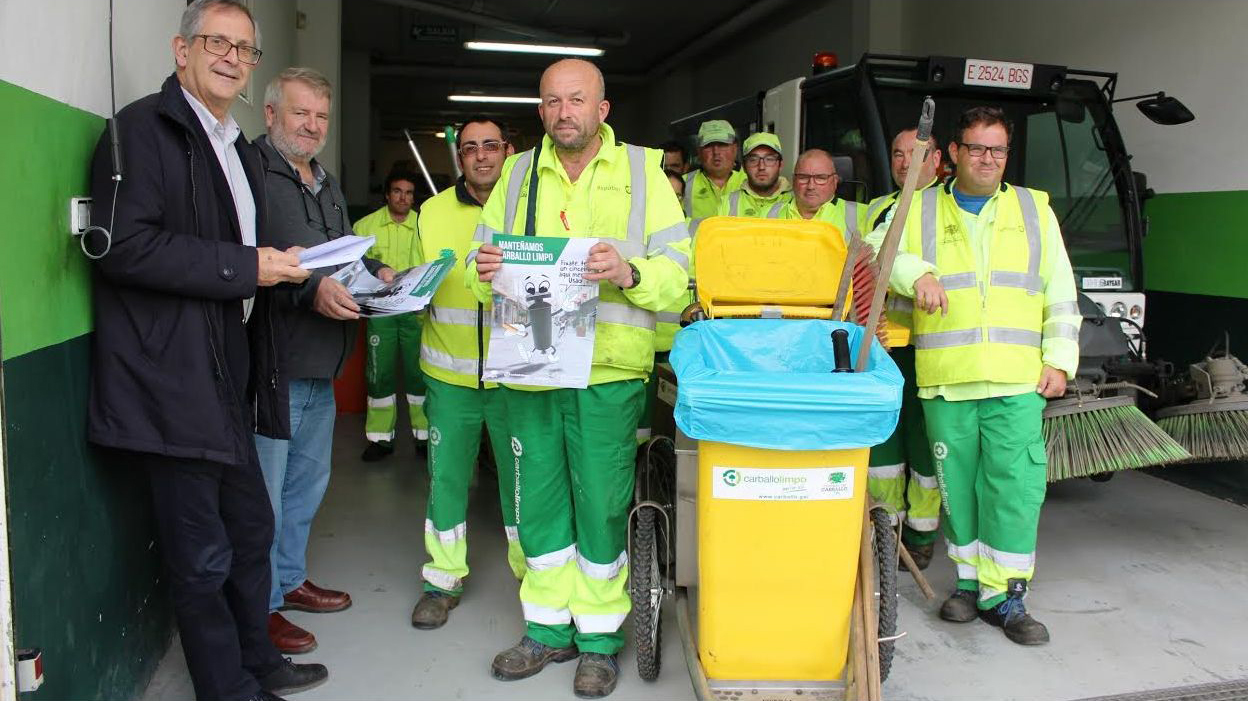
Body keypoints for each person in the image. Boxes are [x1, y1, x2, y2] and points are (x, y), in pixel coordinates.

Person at [87, 1, 325, 698]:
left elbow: (230, 244)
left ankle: (258, 660)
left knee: (251, 531)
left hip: (227, 370)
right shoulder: (142, 131)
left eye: (244, 49)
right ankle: (229, 689)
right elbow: (125, 247)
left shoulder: (231, 142)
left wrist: (269, 265)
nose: (230, 56)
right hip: (172, 379)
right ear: (181, 49)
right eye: (215, 42)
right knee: (203, 555)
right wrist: (248, 267)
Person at [468, 58, 691, 698]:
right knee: (535, 504)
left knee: (600, 505)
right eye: (551, 102)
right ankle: (545, 629)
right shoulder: (514, 173)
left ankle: (597, 639)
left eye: (576, 100)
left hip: (609, 372)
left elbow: (679, 273)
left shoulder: (644, 172)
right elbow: (481, 270)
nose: (564, 113)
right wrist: (482, 268)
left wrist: (628, 271)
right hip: (531, 368)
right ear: (540, 111)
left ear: (602, 109)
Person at [882, 106, 1080, 645]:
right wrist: (916, 271)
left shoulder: (1033, 209)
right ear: (953, 154)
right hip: (948, 378)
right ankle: (969, 584)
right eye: (977, 148)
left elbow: (1059, 285)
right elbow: (880, 251)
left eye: (998, 149)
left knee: (1014, 488)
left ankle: (1008, 595)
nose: (988, 159)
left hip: (1017, 381)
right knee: (959, 491)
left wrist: (1060, 357)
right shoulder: (918, 208)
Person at [254, 67, 393, 654]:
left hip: (322, 360)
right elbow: (252, 259)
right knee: (264, 490)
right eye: (299, 113)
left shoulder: (326, 182)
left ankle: (288, 580)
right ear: (270, 115)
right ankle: (259, 607)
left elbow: (342, 255)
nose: (312, 126)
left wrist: (379, 273)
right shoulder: (249, 174)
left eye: (320, 116)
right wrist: (310, 291)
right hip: (273, 359)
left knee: (307, 484)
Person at [408, 116, 526, 630]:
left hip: (517, 377)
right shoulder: (431, 212)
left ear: (509, 152)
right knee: (446, 480)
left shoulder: (531, 206)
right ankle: (442, 579)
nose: (481, 155)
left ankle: (534, 577)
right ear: (460, 157)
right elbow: (419, 285)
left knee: (524, 483)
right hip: (449, 375)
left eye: (491, 146)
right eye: (471, 148)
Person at [862, 127, 946, 569]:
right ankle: (885, 529)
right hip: (882, 346)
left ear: (937, 160)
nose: (903, 162)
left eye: (915, 154)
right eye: (897, 154)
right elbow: (867, 260)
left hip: (927, 347)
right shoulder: (877, 208)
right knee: (883, 447)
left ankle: (921, 535)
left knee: (924, 443)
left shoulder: (944, 206)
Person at [355, 171, 429, 461]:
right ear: (387, 194)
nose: (403, 198)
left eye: (409, 193)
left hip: (415, 311)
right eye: (397, 191)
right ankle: (380, 438)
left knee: (419, 374)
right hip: (380, 312)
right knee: (379, 374)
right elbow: (353, 267)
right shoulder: (365, 226)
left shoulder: (425, 226)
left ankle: (424, 436)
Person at [767, 148, 867, 240]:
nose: (811, 186)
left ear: (835, 181)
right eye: (803, 177)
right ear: (793, 181)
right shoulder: (768, 213)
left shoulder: (863, 215)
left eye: (820, 178)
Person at [681, 119, 745, 221]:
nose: (716, 152)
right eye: (709, 146)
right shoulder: (682, 184)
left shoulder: (752, 183)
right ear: (699, 151)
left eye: (722, 145)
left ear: (735, 148)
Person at [717, 132, 791, 217]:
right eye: (753, 160)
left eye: (769, 159)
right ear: (744, 166)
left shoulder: (795, 201)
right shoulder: (727, 203)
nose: (761, 166)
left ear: (780, 165)